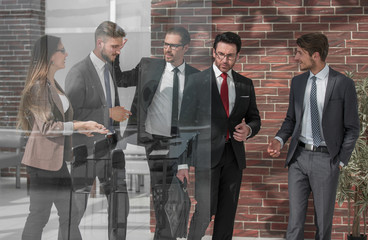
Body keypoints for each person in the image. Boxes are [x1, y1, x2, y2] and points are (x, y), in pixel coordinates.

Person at [267, 32, 360, 240]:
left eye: (300, 53)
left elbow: (353, 127)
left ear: (315, 55)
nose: (296, 58)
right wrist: (279, 140)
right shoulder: (298, 82)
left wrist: (341, 161)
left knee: (323, 223)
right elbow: (290, 119)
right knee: (295, 222)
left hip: (326, 159)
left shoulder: (343, 84)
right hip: (298, 158)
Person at [17, 35, 108, 240]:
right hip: (41, 163)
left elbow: (61, 122)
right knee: (39, 216)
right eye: (62, 50)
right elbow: (47, 127)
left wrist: (79, 129)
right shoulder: (39, 87)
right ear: (49, 56)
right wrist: (78, 125)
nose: (66, 54)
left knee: (70, 213)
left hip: (57, 162)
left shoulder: (53, 84)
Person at [118, 26, 200, 239]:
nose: (167, 49)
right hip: (154, 141)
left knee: (175, 196)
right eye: (165, 44)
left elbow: (196, 120)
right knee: (162, 195)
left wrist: (186, 159)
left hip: (180, 144)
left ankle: (168, 235)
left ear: (186, 48)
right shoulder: (149, 66)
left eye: (173, 45)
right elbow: (120, 80)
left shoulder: (196, 77)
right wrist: (116, 53)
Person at [178, 32, 261, 240]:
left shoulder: (245, 84)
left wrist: (248, 130)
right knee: (205, 212)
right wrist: (182, 164)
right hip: (206, 158)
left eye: (230, 56)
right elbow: (184, 125)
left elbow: (255, 118)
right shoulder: (196, 81)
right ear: (213, 52)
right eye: (221, 54)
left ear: (238, 56)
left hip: (233, 158)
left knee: (227, 215)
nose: (225, 60)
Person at [65, 21, 134, 239]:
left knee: (120, 206)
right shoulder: (79, 72)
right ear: (99, 43)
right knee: (76, 209)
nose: (118, 51)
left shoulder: (109, 68)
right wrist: (109, 114)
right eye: (114, 47)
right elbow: (72, 116)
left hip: (112, 148)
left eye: (120, 47)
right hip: (86, 151)